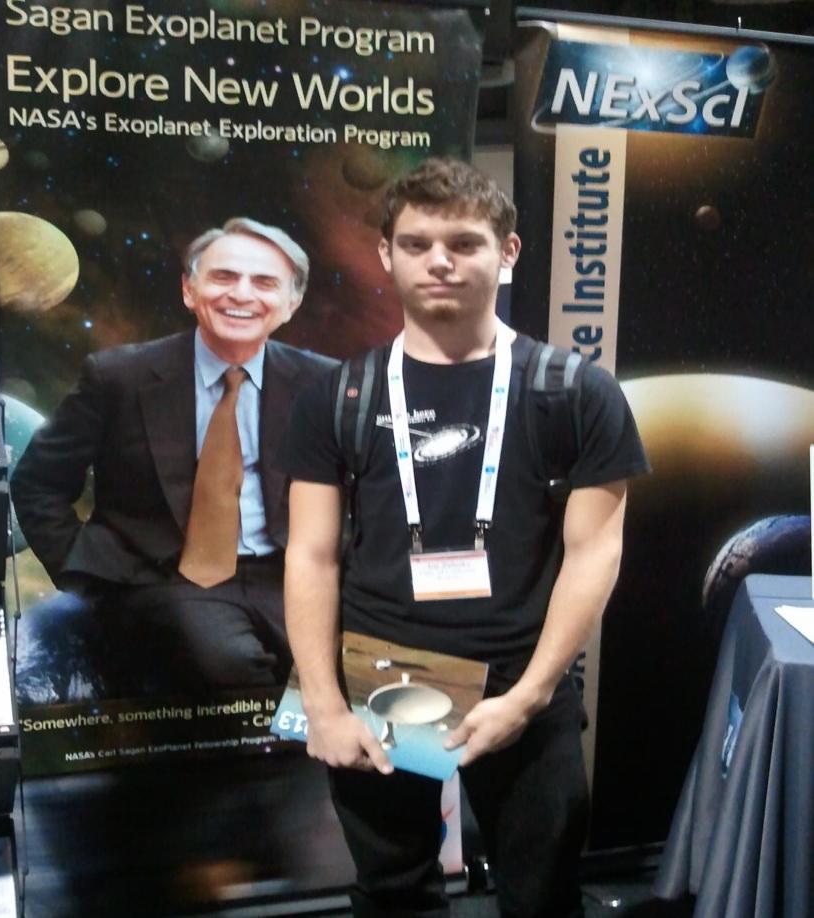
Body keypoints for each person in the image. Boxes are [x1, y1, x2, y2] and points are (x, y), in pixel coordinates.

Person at [282, 159, 650, 918]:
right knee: (392, 893)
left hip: (521, 683)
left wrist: (533, 694)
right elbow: (310, 554)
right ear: (386, 254)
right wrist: (322, 702)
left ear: (507, 252)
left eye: (464, 242)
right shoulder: (341, 394)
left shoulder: (574, 392)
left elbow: (595, 554)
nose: (439, 261)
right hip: (379, 679)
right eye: (415, 244)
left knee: (542, 894)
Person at [11, 217, 336, 697]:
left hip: (290, 575)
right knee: (227, 667)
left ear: (291, 303)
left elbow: (364, 490)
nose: (242, 294)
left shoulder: (324, 383)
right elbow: (39, 482)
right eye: (223, 277)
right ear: (189, 289)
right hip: (165, 578)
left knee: (367, 662)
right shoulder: (118, 376)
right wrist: (82, 571)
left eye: (265, 282)